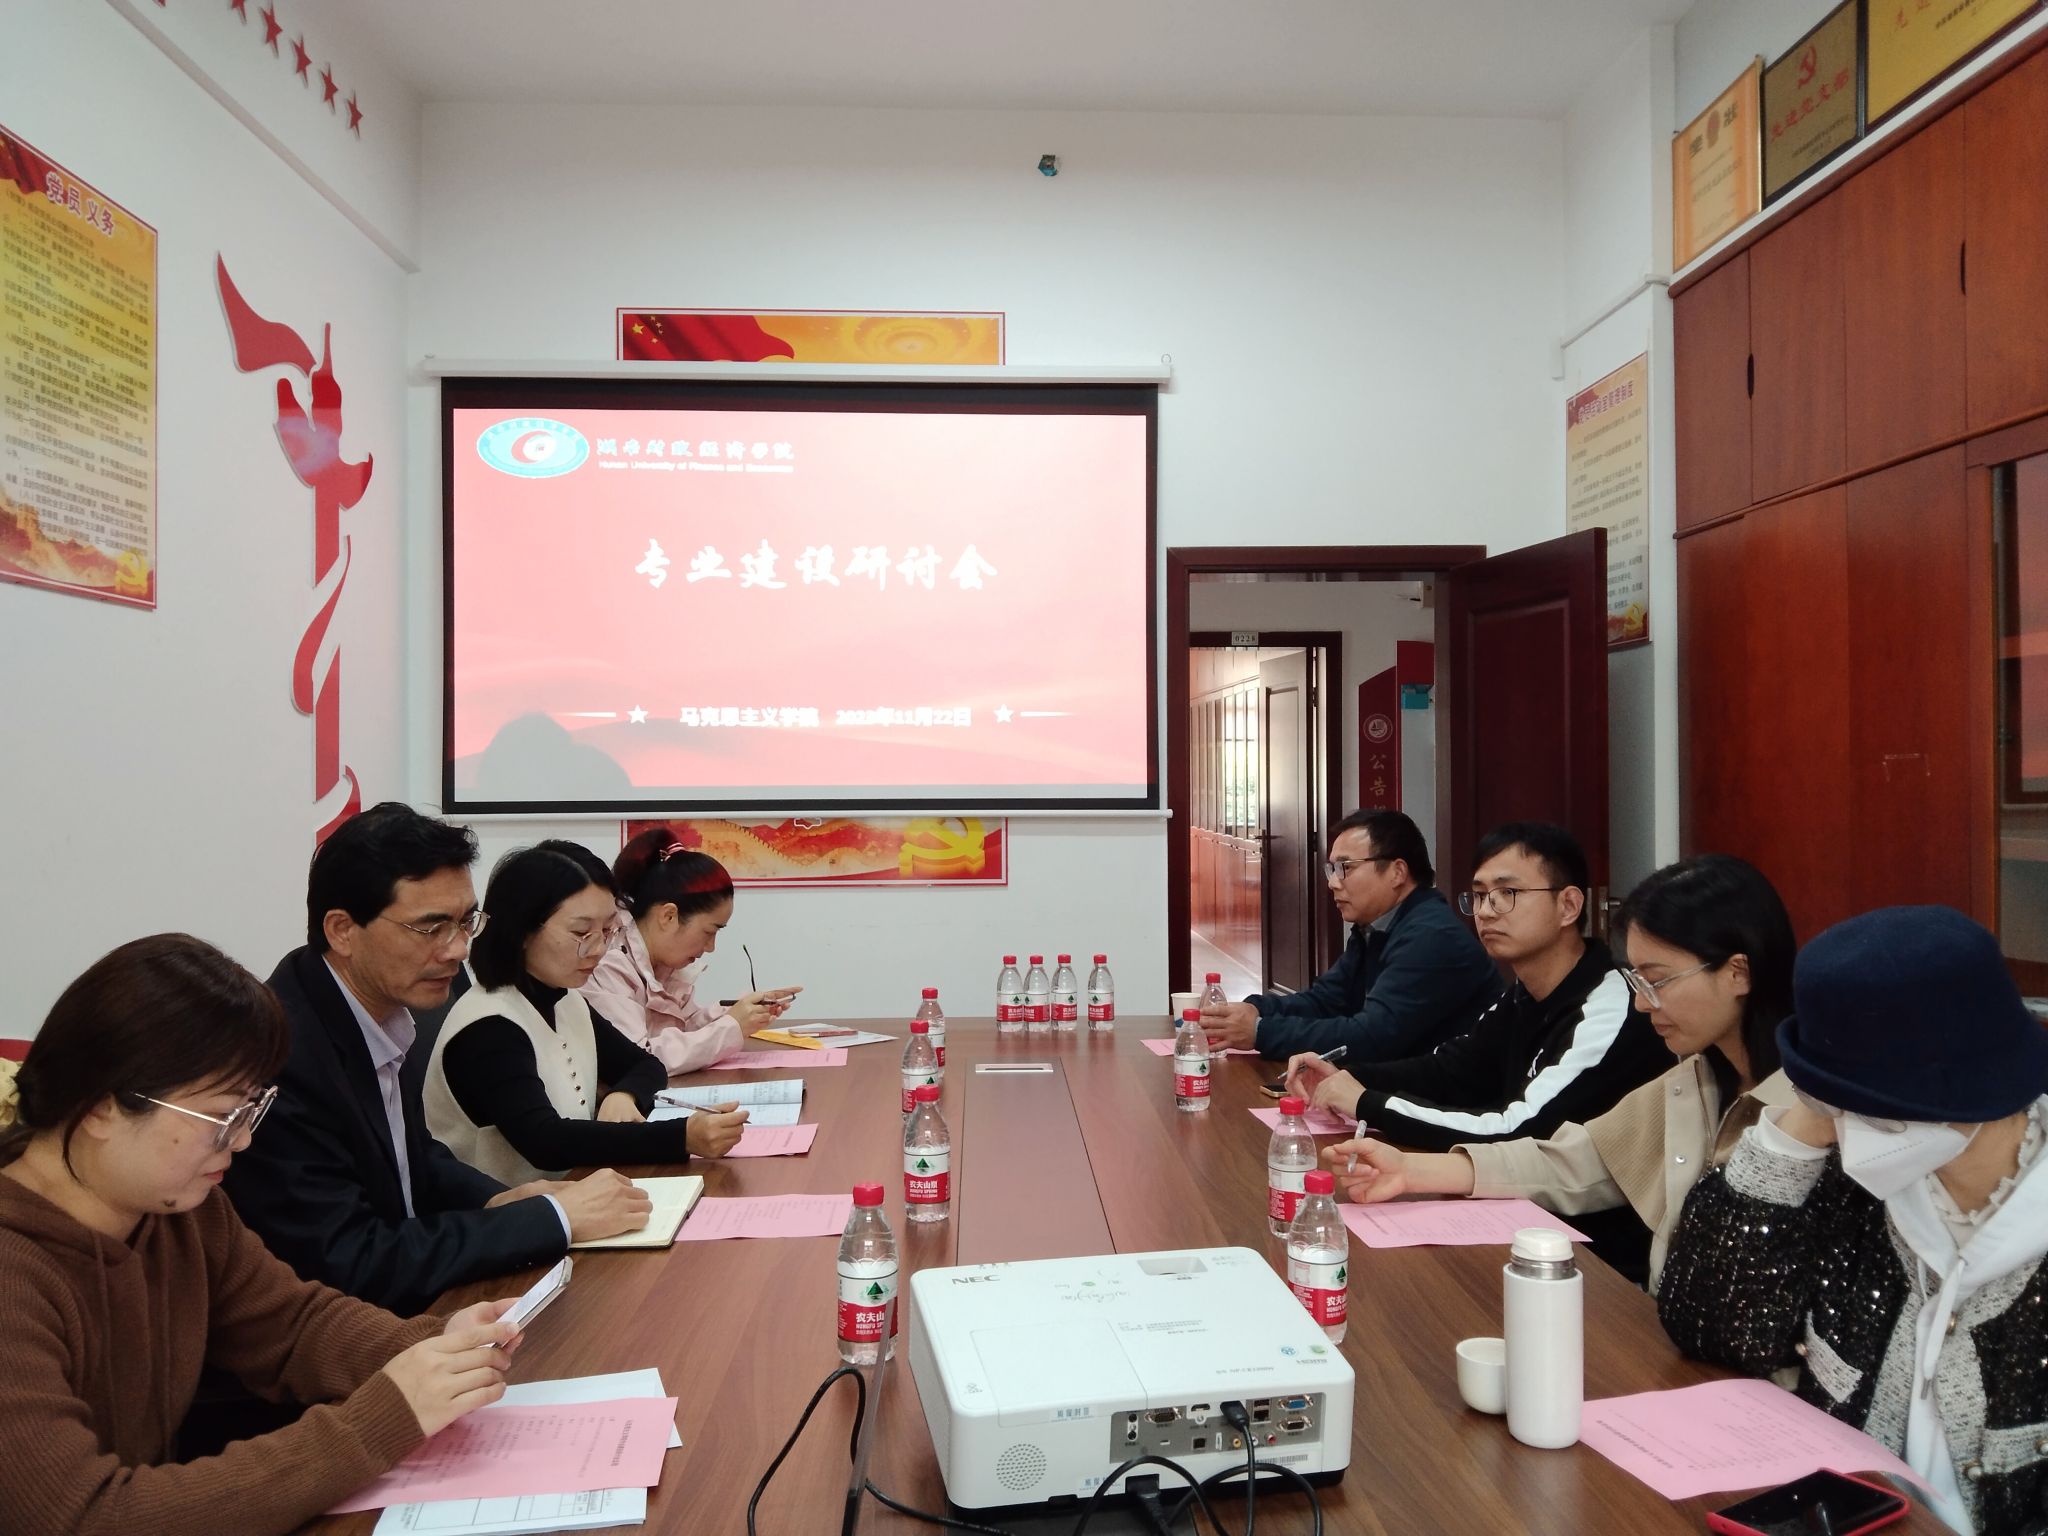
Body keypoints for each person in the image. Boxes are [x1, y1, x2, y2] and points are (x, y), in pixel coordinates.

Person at [0, 934, 525, 1536]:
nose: (243, 1139)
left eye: (251, 1109)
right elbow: (85, 1516)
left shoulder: (178, 1210)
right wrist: (378, 1421)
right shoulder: (17, 1273)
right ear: (100, 1107)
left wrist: (432, 1345)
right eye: (221, 1116)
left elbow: (291, 1326)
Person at [1657, 906, 2048, 1536]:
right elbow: (1709, 1325)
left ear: (1975, 1083)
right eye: (1838, 1102)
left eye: (1878, 1110)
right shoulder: (1854, 1185)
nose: (1854, 1132)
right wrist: (1794, 1134)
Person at [224, 803, 650, 1317]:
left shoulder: (375, 1010)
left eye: (465, 922)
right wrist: (548, 1219)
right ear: (342, 930)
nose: (457, 950)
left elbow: (414, 1159)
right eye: (432, 928)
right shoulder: (283, 1057)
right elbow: (351, 1259)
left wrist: (496, 1200)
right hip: (345, 1327)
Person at [1317, 854, 1798, 1289]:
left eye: (1657, 981)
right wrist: (1410, 1169)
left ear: (1738, 972)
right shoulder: (1692, 1080)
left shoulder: (1808, 1114)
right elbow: (1572, 1161)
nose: (1642, 1003)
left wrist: (1367, 1101)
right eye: (1637, 981)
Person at [1284, 822, 1666, 1154]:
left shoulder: (1611, 1006)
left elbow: (1520, 1131)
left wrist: (1366, 1102)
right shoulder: (1521, 995)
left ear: (1568, 905)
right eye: (1480, 896)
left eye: (1507, 894)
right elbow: (1450, 1071)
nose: (1484, 912)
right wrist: (1346, 1075)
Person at [424, 840, 747, 1185]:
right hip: (505, 1211)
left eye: (607, 931)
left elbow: (645, 1065)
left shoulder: (565, 999)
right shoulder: (489, 1028)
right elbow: (546, 1141)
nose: (598, 949)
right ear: (522, 930)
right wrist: (681, 1137)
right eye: (581, 933)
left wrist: (624, 1095)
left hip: (574, 1193)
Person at [1201, 809, 1499, 1062]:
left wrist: (1260, 1031)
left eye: (1345, 868)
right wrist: (1255, 1009)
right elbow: (1326, 1001)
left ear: (1397, 872)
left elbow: (1371, 1037)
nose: (1333, 882)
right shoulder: (1375, 927)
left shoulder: (1432, 937)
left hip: (1449, 1100)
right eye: (1331, 869)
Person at [582, 830, 802, 1075]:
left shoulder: (663, 965)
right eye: (709, 932)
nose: (711, 947)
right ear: (668, 916)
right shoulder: (608, 963)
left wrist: (737, 1013)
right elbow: (639, 1058)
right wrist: (733, 1026)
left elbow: (683, 1030)